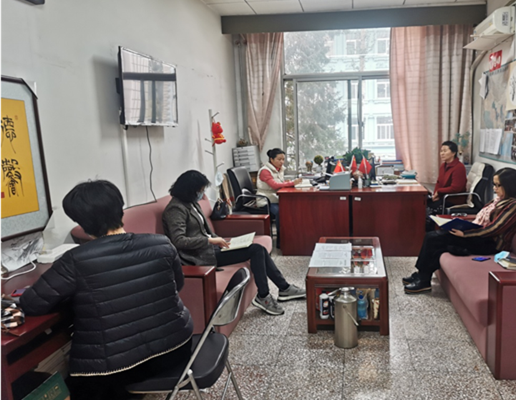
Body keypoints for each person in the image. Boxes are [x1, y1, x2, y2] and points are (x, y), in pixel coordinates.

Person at [20, 180, 193, 400]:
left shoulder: (76, 260)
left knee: (74, 384)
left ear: (82, 223)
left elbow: (31, 303)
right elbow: (177, 285)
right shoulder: (162, 244)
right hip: (177, 347)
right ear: (120, 210)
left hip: (115, 369)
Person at [162, 170, 305, 316]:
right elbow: (178, 241)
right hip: (199, 256)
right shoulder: (176, 209)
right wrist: (210, 240)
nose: (202, 194)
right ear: (189, 190)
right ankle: (266, 295)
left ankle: (283, 288)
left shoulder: (191, 203)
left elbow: (203, 230)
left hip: (212, 248)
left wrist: (219, 240)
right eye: (200, 190)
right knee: (256, 250)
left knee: (259, 249)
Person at [404, 168, 516, 294]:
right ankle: (422, 275)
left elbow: (494, 228)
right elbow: (481, 219)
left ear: (510, 185)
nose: (495, 189)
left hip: (491, 244)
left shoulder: (515, 205)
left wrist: (465, 234)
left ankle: (423, 280)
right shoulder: (499, 200)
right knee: (434, 238)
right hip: (480, 237)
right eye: (494, 184)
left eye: (498, 185)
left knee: (434, 238)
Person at [256, 148, 302, 248]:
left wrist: (286, 182)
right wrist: (292, 183)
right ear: (271, 159)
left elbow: (278, 182)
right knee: (281, 211)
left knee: (290, 207)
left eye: (283, 159)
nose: (282, 162)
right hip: (265, 200)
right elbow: (274, 185)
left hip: (274, 198)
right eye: (279, 159)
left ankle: (291, 235)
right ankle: (281, 240)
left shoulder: (278, 169)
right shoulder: (265, 171)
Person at [428, 141, 467, 213]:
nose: (442, 153)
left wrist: (439, 192)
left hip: (453, 199)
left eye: (445, 151)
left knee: (429, 206)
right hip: (443, 196)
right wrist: (435, 194)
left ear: (453, 153)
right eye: (441, 151)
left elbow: (456, 188)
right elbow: (439, 182)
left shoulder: (459, 167)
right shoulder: (443, 166)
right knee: (425, 201)